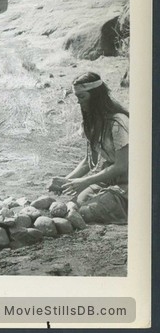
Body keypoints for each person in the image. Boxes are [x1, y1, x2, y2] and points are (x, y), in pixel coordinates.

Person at [60, 72, 129, 223]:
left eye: (82, 97)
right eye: (77, 97)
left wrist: (86, 181)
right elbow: (88, 162)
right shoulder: (90, 123)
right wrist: (66, 181)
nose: (78, 102)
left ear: (96, 96)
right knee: (75, 203)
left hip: (130, 181)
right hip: (109, 179)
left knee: (87, 212)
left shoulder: (118, 123)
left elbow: (122, 166)